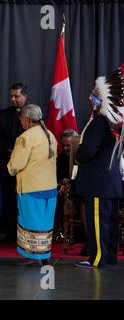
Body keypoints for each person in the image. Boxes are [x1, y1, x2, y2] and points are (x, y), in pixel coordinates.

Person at [74, 64, 124, 268]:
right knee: (109, 222)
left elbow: (88, 150)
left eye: (94, 97)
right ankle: (109, 257)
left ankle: (97, 259)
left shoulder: (100, 121)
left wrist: (77, 154)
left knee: (98, 223)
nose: (90, 100)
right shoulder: (115, 123)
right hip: (110, 182)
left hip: (97, 181)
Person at [7, 104, 58, 267]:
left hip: (32, 187)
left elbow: (16, 164)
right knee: (45, 223)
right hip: (50, 188)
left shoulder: (26, 137)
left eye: (21, 118)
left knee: (31, 223)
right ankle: (44, 256)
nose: (21, 121)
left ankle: (34, 255)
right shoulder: (50, 135)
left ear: (27, 119)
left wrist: (10, 168)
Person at [0, 82, 28, 242]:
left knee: (24, 199)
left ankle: (24, 232)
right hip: (7, 162)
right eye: (11, 96)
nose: (13, 99)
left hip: (26, 165)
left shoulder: (32, 113)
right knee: (9, 197)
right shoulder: (3, 114)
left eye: (17, 96)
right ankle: (10, 232)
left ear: (24, 96)